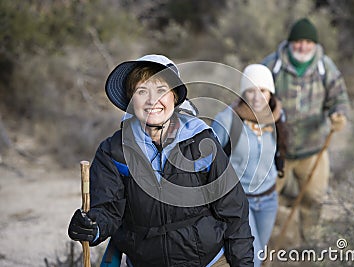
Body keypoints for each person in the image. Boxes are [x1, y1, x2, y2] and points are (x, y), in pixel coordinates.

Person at [67, 54, 254, 267]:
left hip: (210, 262)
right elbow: (108, 210)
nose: (151, 101)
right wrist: (92, 226)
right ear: (131, 100)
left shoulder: (202, 143)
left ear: (174, 96)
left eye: (161, 90)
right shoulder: (114, 151)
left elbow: (234, 212)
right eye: (141, 91)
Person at [261, 18, 350, 244]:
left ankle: (310, 245)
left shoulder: (325, 67)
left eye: (308, 42)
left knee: (314, 199)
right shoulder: (272, 65)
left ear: (315, 44)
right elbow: (254, 97)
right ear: (290, 43)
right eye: (298, 41)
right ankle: (261, 246)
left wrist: (338, 115)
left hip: (313, 150)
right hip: (276, 148)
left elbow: (339, 97)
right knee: (264, 198)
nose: (303, 47)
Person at [211, 64, 287, 266]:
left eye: (262, 90)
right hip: (239, 200)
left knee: (260, 251)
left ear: (270, 92)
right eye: (250, 91)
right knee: (250, 255)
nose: (256, 97)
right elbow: (208, 156)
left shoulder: (278, 116)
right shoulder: (228, 118)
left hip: (269, 197)